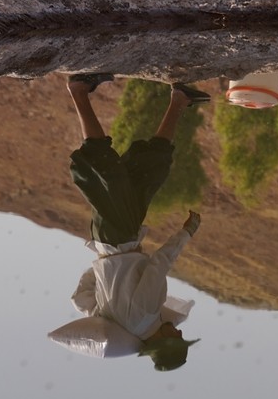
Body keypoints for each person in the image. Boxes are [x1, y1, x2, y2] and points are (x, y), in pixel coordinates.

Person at [65, 73, 209, 370]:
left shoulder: (145, 315)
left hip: (121, 235)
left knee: (105, 167)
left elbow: (158, 265)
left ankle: (78, 90)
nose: (180, 332)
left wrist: (186, 232)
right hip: (112, 238)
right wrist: (103, 264)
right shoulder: (121, 323)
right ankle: (179, 100)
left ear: (163, 342)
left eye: (177, 338)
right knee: (149, 171)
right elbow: (80, 299)